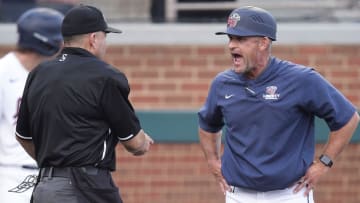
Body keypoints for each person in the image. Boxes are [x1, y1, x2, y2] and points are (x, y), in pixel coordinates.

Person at [198, 6, 359, 203]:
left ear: (263, 43)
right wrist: (213, 161)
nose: (231, 46)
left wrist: (324, 163)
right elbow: (208, 126)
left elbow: (348, 118)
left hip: (289, 195)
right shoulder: (222, 84)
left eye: (240, 39)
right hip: (238, 195)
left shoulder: (301, 79)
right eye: (230, 38)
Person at [15, 5, 154, 203]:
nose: (105, 43)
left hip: (45, 187)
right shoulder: (106, 76)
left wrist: (54, 162)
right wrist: (143, 142)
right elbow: (133, 143)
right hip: (87, 187)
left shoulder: (39, 73)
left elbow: (23, 136)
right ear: (93, 39)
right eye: (104, 36)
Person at [0, 7, 64, 202]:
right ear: (46, 43)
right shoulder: (3, 72)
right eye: (61, 40)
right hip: (13, 178)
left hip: (56, 178)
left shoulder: (59, 73)